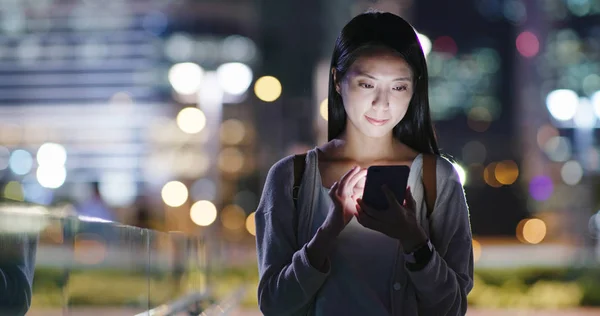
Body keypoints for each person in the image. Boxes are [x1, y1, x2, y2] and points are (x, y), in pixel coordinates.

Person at [255, 11, 473, 316]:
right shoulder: (291, 178)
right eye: (367, 85)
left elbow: (452, 307)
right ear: (337, 80)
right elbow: (274, 304)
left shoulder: (437, 178)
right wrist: (329, 230)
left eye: (398, 87)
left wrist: (415, 241)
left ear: (415, 89)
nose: (382, 103)